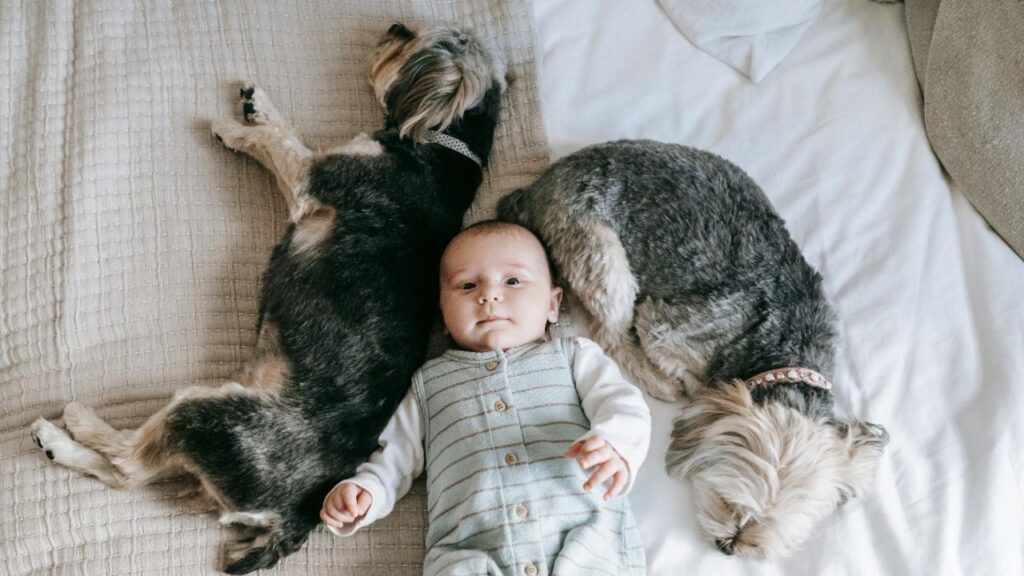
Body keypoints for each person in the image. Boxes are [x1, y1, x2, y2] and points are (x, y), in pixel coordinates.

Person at [320, 220, 651, 576]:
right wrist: (365, 491)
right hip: (472, 554)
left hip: (585, 543)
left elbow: (622, 404)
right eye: (466, 285)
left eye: (512, 281)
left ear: (552, 305)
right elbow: (395, 458)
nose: (489, 295)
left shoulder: (573, 357)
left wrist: (616, 442)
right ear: (443, 316)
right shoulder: (428, 386)